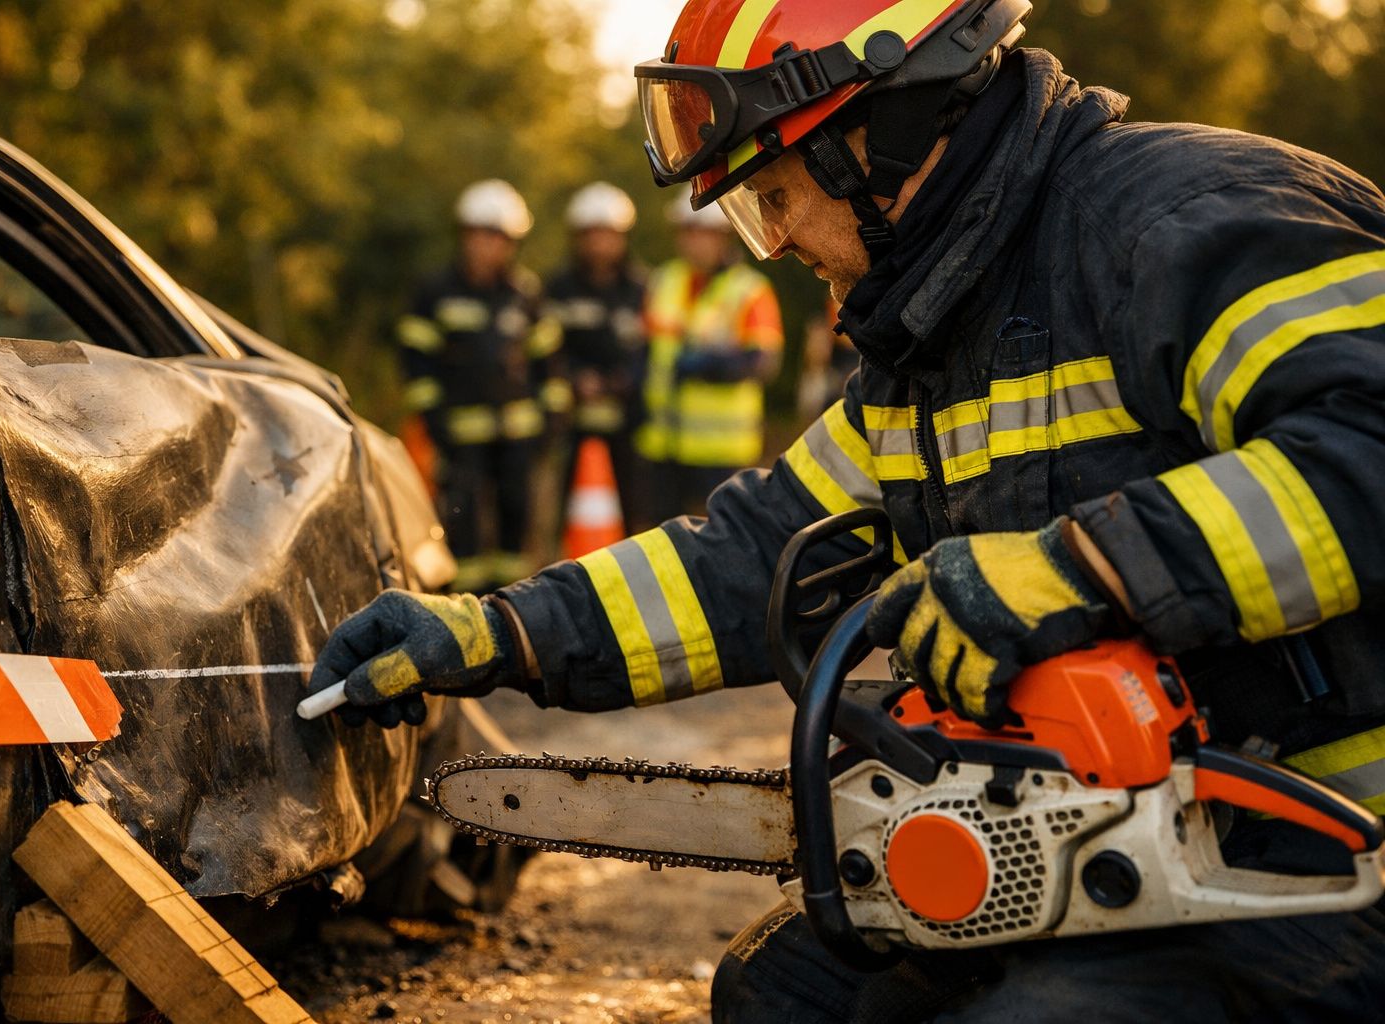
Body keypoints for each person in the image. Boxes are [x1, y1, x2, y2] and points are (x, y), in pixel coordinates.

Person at [319, 0, 1385, 1018]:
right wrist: (497, 630)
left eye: (774, 195)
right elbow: (752, 556)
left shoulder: (1183, 224)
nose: (774, 243)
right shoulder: (930, 345)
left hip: (1335, 852)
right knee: (780, 992)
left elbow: (1367, 449)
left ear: (876, 135)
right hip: (1126, 842)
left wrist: (1083, 571)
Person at [398, 179, 568, 593]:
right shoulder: (435, 292)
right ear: (465, 236)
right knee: (465, 530)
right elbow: (415, 364)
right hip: (460, 439)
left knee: (516, 529)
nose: (488, 246)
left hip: (518, 439)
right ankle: (465, 606)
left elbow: (548, 365)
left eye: (498, 238)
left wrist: (551, 419)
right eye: (480, 235)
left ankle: (509, 605)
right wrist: (434, 421)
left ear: (512, 243)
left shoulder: (525, 294)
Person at [634, 195, 784, 523]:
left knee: (723, 537)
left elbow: (762, 362)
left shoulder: (750, 290)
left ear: (723, 235)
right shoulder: (662, 280)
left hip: (722, 449)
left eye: (702, 232)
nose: (693, 241)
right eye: (686, 232)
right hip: (663, 442)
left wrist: (708, 366)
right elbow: (645, 351)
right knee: (661, 539)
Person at [545, 183, 649, 534]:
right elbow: (546, 349)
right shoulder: (558, 289)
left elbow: (651, 349)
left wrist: (626, 379)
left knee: (634, 511)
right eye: (592, 235)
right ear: (578, 238)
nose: (600, 244)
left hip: (629, 425)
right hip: (571, 424)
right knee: (566, 511)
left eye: (609, 235)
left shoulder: (642, 289)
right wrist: (575, 378)